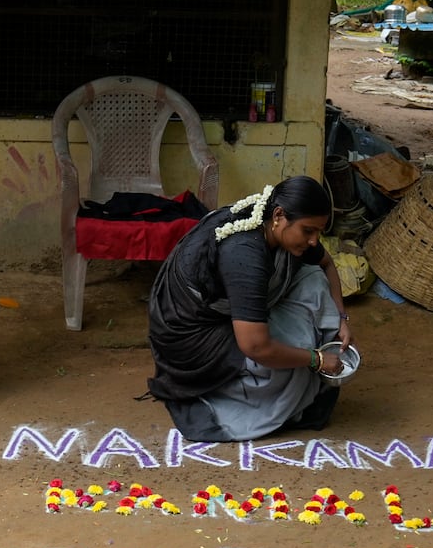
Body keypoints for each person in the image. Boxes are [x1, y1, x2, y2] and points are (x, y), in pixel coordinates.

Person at [147, 176, 352, 441]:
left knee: (312, 278)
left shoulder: (269, 219)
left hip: (233, 318)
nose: (314, 240)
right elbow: (256, 347)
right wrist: (316, 359)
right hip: (195, 340)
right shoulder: (244, 254)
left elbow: (326, 264)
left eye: (318, 233)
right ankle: (248, 399)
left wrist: (341, 318)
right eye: (308, 231)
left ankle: (295, 369)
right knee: (294, 354)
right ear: (279, 216)